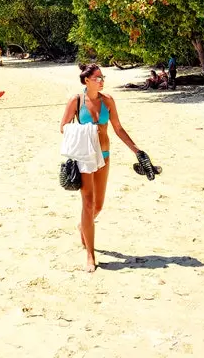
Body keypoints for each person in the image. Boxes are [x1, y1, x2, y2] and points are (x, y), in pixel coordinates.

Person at [60, 63, 142, 273]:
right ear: (86, 80)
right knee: (88, 203)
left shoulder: (108, 101)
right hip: (85, 157)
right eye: (97, 78)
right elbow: (63, 127)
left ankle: (83, 226)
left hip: (104, 155)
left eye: (102, 77)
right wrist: (86, 130)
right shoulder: (76, 101)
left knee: (98, 206)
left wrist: (136, 150)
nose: (101, 80)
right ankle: (90, 254)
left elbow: (118, 128)